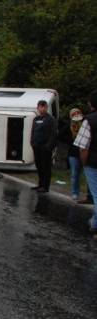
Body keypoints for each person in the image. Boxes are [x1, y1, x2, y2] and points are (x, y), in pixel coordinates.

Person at [74, 90, 97, 238]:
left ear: (91, 104)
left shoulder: (89, 120)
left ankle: (95, 226)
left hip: (93, 163)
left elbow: (83, 147)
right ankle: (94, 222)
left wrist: (84, 163)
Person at [59, 108, 92, 201]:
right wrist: (71, 140)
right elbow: (60, 136)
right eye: (74, 113)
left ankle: (89, 195)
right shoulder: (69, 126)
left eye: (78, 113)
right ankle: (75, 193)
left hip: (85, 152)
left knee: (88, 175)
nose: (76, 115)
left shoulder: (86, 124)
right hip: (74, 153)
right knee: (74, 174)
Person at [30, 100, 57, 193]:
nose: (42, 108)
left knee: (46, 167)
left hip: (45, 147)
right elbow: (33, 131)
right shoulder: (36, 119)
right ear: (37, 108)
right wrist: (32, 142)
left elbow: (53, 134)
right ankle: (40, 184)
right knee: (39, 165)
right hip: (36, 146)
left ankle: (46, 186)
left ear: (46, 108)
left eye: (44, 107)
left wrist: (49, 146)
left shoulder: (50, 119)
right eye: (40, 107)